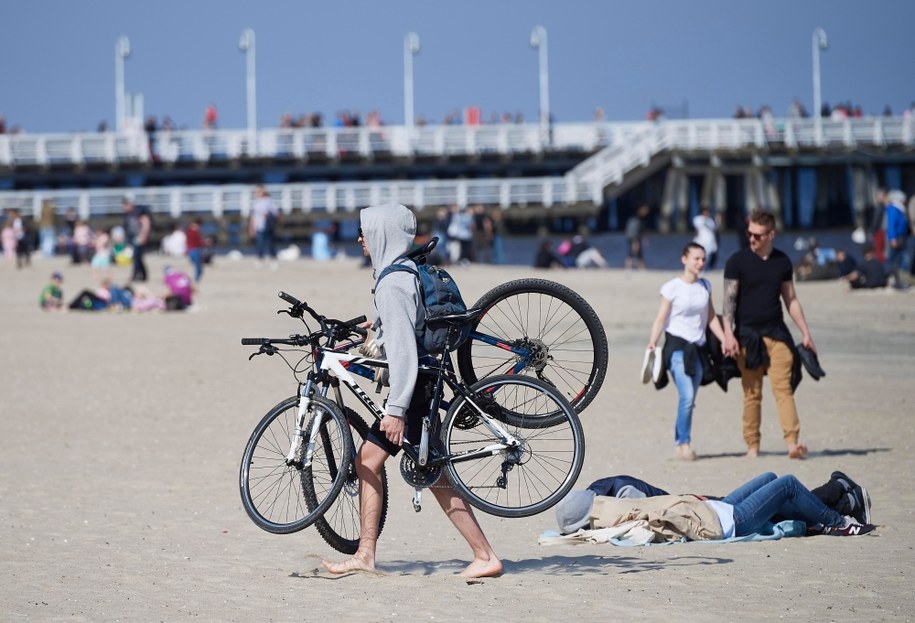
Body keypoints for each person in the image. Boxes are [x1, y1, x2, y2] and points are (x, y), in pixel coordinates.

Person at [322, 202, 502, 579]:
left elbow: (404, 351)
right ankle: (365, 554)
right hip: (420, 380)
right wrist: (362, 338)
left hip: (415, 387)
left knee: (432, 473)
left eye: (365, 231)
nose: (360, 238)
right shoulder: (402, 272)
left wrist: (396, 409)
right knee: (368, 460)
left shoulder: (392, 283)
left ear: (382, 234)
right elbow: (399, 333)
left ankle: (485, 555)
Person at [722, 210, 815, 460]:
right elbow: (728, 303)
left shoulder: (782, 262)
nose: (752, 239)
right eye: (749, 234)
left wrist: (805, 333)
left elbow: (791, 300)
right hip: (747, 337)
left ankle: (792, 443)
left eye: (758, 235)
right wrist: (727, 336)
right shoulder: (736, 262)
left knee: (783, 390)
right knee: (752, 394)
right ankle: (752, 447)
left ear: (771, 234)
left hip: (777, 334)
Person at [555, 471, 875, 539]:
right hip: (725, 520)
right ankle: (839, 522)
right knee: (788, 483)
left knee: (771, 478)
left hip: (712, 508)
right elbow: (661, 521)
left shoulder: (607, 510)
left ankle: (834, 505)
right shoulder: (617, 512)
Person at [647, 243, 727, 460]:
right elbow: (661, 318)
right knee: (687, 396)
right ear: (684, 259)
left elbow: (711, 317)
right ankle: (683, 443)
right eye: (696, 258)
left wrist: (725, 339)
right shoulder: (672, 287)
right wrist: (653, 342)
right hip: (677, 348)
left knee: (689, 400)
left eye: (703, 259)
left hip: (698, 350)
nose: (701, 263)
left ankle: (681, 442)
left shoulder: (705, 286)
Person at [883, 190, 911, 289]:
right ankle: (895, 280)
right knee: (897, 259)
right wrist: (893, 238)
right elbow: (891, 225)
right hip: (897, 237)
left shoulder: (899, 209)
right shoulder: (894, 209)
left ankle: (899, 280)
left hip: (902, 236)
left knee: (900, 258)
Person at [249, 185, 278, 267]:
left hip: (268, 226)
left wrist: (268, 216)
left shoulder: (269, 201)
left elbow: (275, 213)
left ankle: (273, 259)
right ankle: (260, 259)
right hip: (259, 226)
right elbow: (253, 216)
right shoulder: (256, 203)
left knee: (271, 243)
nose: (257, 193)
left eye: (259, 192)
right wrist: (251, 228)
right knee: (259, 243)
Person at [123, 197, 152, 282]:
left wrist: (144, 235)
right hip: (133, 237)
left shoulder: (139, 211)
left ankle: (135, 275)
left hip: (139, 237)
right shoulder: (129, 214)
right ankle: (143, 275)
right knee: (138, 257)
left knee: (136, 256)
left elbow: (146, 223)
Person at [624, 204, 650, 270]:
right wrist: (635, 241)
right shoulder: (637, 219)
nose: (646, 212)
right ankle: (630, 268)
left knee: (637, 254)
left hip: (632, 237)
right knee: (633, 253)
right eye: (645, 210)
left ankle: (639, 268)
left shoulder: (636, 218)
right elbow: (634, 231)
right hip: (634, 238)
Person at [185, 218, 205, 282]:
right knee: (198, 268)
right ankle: (195, 281)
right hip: (195, 250)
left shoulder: (189, 230)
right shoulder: (194, 231)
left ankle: (193, 280)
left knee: (195, 267)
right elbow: (199, 242)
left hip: (190, 250)